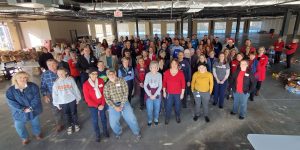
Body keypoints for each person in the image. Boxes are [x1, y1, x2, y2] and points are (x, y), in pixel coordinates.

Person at [6, 71, 43, 145]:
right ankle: (24, 137)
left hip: (33, 109)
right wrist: (22, 109)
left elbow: (36, 98)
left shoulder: (33, 86)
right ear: (15, 78)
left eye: (25, 77)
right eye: (20, 77)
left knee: (35, 123)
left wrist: (31, 107)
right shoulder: (10, 90)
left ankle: (37, 133)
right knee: (19, 126)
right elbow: (11, 102)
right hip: (19, 112)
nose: (23, 79)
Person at [104, 70, 141, 141]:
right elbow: (107, 99)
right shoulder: (106, 86)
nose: (111, 75)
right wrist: (115, 107)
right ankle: (118, 132)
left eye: (112, 73)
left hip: (124, 102)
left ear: (115, 74)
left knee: (131, 118)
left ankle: (137, 132)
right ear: (107, 76)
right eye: (109, 74)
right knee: (113, 122)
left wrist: (121, 105)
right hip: (113, 105)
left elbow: (126, 93)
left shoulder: (122, 81)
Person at [52, 67, 81, 135]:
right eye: (59, 73)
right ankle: (69, 126)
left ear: (66, 73)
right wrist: (56, 104)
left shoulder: (70, 80)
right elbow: (55, 94)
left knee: (74, 113)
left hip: (72, 100)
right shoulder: (56, 83)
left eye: (62, 73)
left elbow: (75, 89)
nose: (61, 74)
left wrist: (78, 98)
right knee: (66, 114)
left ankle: (76, 124)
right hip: (62, 102)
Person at [83, 68, 109, 142]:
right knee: (95, 120)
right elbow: (87, 99)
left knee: (103, 118)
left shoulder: (101, 81)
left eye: (96, 74)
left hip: (102, 103)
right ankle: (97, 134)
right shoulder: (86, 84)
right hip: (93, 105)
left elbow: (104, 93)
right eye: (93, 74)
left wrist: (103, 104)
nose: (95, 75)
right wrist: (97, 106)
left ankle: (105, 131)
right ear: (89, 75)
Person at [40, 59, 64, 132]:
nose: (51, 66)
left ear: (57, 64)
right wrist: (45, 95)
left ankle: (71, 121)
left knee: (66, 109)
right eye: (49, 65)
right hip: (52, 95)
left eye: (53, 64)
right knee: (55, 110)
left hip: (64, 94)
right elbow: (43, 86)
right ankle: (59, 124)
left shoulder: (62, 71)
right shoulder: (45, 74)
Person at [163, 59, 186, 124]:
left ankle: (177, 116)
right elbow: (164, 83)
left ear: (177, 65)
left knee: (178, 106)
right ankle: (167, 117)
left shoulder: (181, 73)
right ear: (170, 64)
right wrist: (164, 92)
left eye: (175, 64)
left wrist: (182, 93)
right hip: (169, 93)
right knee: (168, 106)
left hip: (178, 93)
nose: (174, 65)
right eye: (172, 63)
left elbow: (183, 84)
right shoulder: (167, 72)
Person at [144, 61, 162, 126]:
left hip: (157, 93)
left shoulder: (159, 75)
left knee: (157, 108)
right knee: (149, 109)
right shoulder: (148, 75)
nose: (154, 68)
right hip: (149, 93)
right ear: (150, 68)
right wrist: (150, 95)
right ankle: (149, 120)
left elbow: (160, 86)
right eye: (152, 67)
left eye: (155, 67)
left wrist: (154, 95)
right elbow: (145, 86)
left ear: (157, 68)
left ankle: (156, 119)